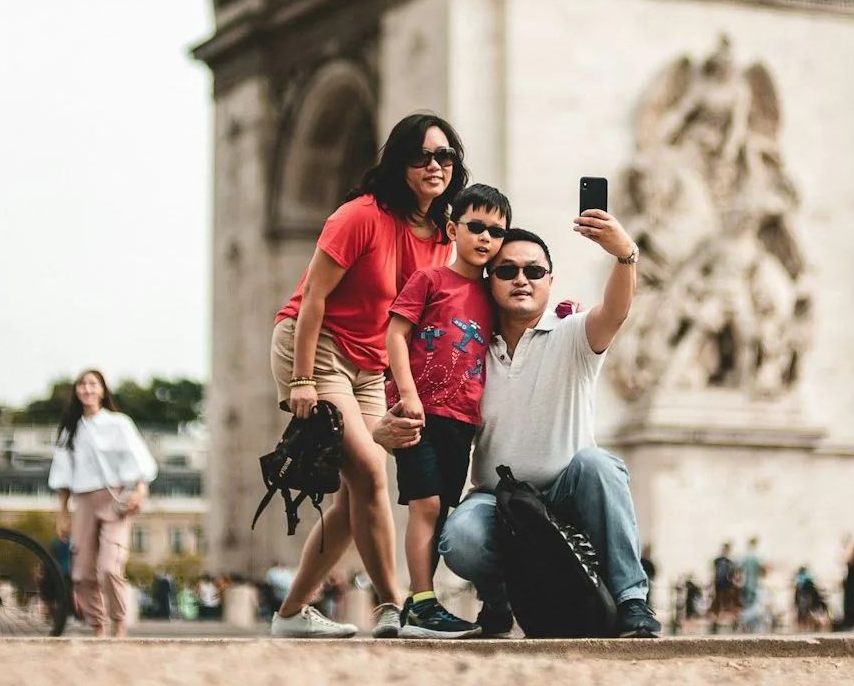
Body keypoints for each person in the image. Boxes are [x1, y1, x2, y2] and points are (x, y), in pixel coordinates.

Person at [269, 114, 469, 639]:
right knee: (373, 475)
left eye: (445, 156)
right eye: (422, 156)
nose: (435, 166)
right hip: (317, 350)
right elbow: (312, 298)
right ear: (399, 162)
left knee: (352, 495)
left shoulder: (441, 233)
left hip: (370, 365)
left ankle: (290, 615)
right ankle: (398, 608)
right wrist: (301, 379)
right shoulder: (359, 216)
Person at [426, 216, 663, 638]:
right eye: (507, 271)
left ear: (549, 282)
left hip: (569, 491)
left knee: (600, 465)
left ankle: (632, 602)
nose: (521, 279)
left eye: (534, 271)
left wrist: (625, 256)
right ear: (490, 282)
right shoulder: (468, 349)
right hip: (497, 499)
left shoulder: (574, 334)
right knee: (460, 538)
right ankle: (496, 601)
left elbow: (616, 311)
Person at [384, 183, 513, 639]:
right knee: (427, 504)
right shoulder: (429, 280)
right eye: (475, 226)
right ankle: (421, 602)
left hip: (462, 422)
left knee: (441, 512)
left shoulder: (492, 297)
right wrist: (407, 394)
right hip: (417, 414)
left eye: (496, 231)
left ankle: (420, 605)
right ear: (452, 228)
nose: (485, 238)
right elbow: (395, 336)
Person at [50, 369, 157, 638]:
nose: (87, 389)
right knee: (82, 571)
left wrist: (140, 492)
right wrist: (62, 514)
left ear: (102, 390)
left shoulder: (119, 423)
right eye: (82, 384)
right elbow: (63, 476)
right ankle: (97, 626)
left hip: (115, 500)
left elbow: (139, 460)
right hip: (83, 501)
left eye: (93, 384)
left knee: (111, 567)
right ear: (76, 391)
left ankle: (119, 624)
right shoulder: (70, 430)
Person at [711, 542, 739, 627]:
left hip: (720, 583)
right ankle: (722, 619)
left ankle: (718, 619)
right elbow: (733, 573)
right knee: (726, 602)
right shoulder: (728, 561)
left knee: (719, 602)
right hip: (725, 583)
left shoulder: (718, 560)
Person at [840, 541, 854, 630]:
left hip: (851, 587)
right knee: (849, 604)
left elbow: (845, 560)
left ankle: (850, 622)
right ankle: (850, 622)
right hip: (850, 586)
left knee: (850, 604)